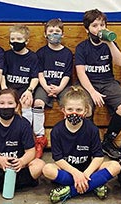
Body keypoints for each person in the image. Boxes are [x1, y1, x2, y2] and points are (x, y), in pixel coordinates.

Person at [42, 85, 121, 203]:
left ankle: (70, 191)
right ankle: (94, 184)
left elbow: (98, 157)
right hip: (67, 170)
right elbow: (58, 159)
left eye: (78, 110)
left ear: (85, 111)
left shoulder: (92, 129)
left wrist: (85, 175)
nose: (74, 113)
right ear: (63, 110)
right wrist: (76, 174)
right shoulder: (56, 131)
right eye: (70, 110)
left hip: (88, 169)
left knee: (116, 166)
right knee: (47, 169)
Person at [75, 8, 121, 160]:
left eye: (102, 25)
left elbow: (120, 63)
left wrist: (110, 43)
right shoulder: (82, 47)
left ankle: (108, 140)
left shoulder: (110, 43)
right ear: (87, 28)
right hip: (88, 84)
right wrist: (92, 92)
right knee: (85, 109)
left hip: (108, 82)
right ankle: (89, 143)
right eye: (95, 25)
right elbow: (81, 73)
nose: (99, 28)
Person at [0, 88, 45, 196]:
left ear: (17, 105)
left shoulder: (24, 124)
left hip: (18, 164)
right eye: (2, 103)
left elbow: (31, 151)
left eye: (10, 103)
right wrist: (0, 160)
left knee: (40, 165)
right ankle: (23, 183)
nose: (6, 106)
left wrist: (22, 161)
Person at [33, 18, 73, 158]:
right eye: (51, 31)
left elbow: (67, 75)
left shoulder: (67, 53)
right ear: (45, 34)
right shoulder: (41, 53)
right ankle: (40, 137)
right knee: (38, 103)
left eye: (57, 31)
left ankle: (68, 136)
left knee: (71, 104)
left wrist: (59, 88)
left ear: (63, 34)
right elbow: (40, 73)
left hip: (62, 86)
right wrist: (46, 87)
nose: (54, 34)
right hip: (44, 85)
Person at [1, 24, 39, 125]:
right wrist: (4, 88)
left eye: (19, 39)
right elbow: (2, 74)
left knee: (26, 103)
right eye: (12, 39)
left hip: (24, 89)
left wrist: (29, 90)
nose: (15, 41)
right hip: (9, 88)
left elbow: (35, 77)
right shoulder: (6, 55)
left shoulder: (33, 57)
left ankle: (26, 128)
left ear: (26, 41)